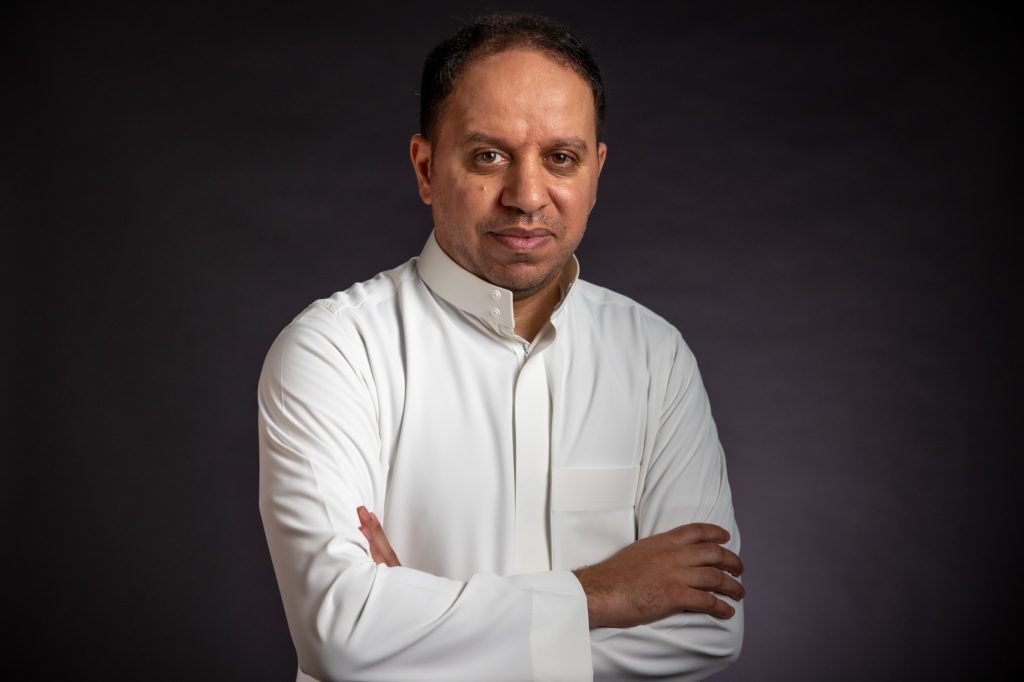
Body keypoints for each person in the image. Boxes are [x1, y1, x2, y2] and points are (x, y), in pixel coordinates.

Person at [258, 12, 744, 682]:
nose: (527, 196)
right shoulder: (335, 350)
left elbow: (707, 629)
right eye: (489, 156)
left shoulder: (656, 357)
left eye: (561, 158)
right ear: (426, 168)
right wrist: (606, 593)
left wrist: (411, 633)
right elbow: (340, 633)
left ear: (596, 173)